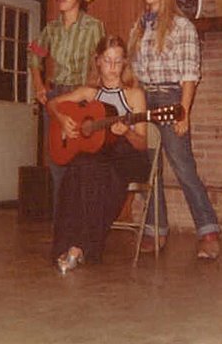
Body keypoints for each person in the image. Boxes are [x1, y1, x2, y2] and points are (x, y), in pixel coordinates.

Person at [128, 0, 220, 260]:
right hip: (143, 100)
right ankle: (156, 230)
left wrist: (184, 112)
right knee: (147, 167)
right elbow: (134, 73)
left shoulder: (182, 27)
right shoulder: (138, 27)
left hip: (170, 98)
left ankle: (208, 233)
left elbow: (190, 75)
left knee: (182, 167)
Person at [47, 35, 150, 272]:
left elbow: (142, 143)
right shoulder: (89, 93)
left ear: (125, 63)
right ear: (98, 61)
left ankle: (80, 247)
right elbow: (52, 104)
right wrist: (62, 121)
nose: (112, 67)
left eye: (117, 61)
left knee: (96, 170)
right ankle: (69, 246)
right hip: (97, 160)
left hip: (128, 158)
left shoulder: (134, 95)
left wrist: (126, 132)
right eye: (107, 60)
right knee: (78, 169)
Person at [28, 0, 105, 215]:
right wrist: (39, 86)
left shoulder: (94, 26)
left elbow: (101, 61)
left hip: (82, 98)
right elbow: (35, 55)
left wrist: (92, 91)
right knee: (58, 161)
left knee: (82, 160)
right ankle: (61, 223)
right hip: (56, 98)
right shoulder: (51, 29)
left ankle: (82, 221)